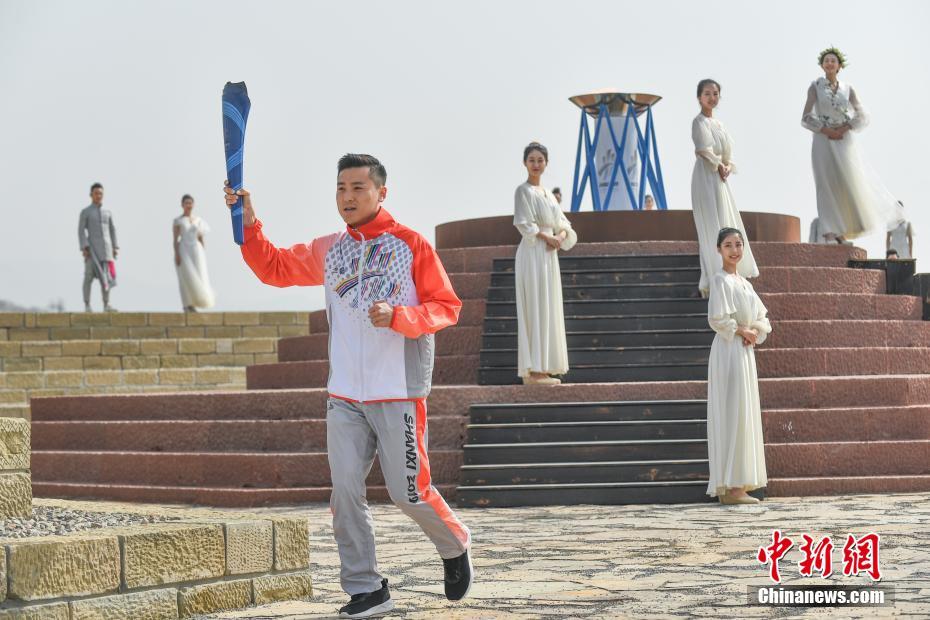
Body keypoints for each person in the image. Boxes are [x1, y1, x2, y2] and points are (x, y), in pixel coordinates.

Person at [225, 153, 472, 618]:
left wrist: (400, 317)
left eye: (358, 188)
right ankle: (366, 588)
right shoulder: (330, 249)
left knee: (409, 492)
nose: (348, 197)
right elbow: (274, 267)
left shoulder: (411, 245)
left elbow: (446, 306)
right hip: (344, 396)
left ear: (381, 192)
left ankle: (454, 542)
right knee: (344, 492)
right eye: (341, 188)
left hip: (397, 392)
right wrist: (248, 221)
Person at [801, 47, 898, 243]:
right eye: (826, 61)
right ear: (822, 65)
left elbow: (862, 114)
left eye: (833, 60)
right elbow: (806, 116)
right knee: (825, 183)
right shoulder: (815, 86)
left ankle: (842, 232)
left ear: (839, 66)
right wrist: (827, 130)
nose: (829, 63)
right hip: (823, 140)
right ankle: (829, 231)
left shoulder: (848, 88)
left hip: (844, 140)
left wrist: (844, 128)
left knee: (845, 184)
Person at [706, 227, 771, 505]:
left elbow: (763, 317)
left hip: (744, 353)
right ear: (718, 249)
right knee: (731, 411)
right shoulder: (719, 280)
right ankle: (731, 487)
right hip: (728, 350)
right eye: (728, 245)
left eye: (738, 244)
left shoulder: (745, 284)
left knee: (743, 411)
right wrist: (741, 330)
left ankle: (737, 485)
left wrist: (754, 330)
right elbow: (717, 318)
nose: (734, 250)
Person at [514, 142, 578, 385]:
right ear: (525, 163)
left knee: (547, 307)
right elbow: (525, 224)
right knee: (535, 306)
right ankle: (534, 371)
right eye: (532, 160)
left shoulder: (549, 195)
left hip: (549, 256)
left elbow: (564, 224)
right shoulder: (523, 191)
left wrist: (559, 237)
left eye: (540, 160)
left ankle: (544, 367)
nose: (536, 164)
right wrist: (548, 238)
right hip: (532, 253)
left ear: (546, 163)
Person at [691, 79, 759, 297]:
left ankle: (732, 271)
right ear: (699, 97)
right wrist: (718, 164)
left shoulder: (719, 124)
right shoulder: (699, 122)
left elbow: (727, 152)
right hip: (706, 176)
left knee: (726, 219)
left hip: (720, 178)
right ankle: (714, 275)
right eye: (707, 94)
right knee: (711, 223)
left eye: (715, 94)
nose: (712, 98)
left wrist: (727, 165)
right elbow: (702, 149)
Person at [78, 182, 118, 312]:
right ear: (91, 195)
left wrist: (115, 246)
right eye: (96, 193)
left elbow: (112, 229)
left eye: (100, 193)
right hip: (92, 251)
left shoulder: (108, 212)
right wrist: (84, 247)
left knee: (106, 278)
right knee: (88, 277)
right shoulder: (86, 212)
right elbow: (80, 231)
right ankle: (87, 305)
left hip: (106, 251)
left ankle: (107, 304)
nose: (98, 196)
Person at [173, 194, 215, 312]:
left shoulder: (198, 220)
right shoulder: (178, 221)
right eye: (186, 203)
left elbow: (200, 237)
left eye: (190, 203)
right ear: (182, 205)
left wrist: (203, 250)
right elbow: (175, 239)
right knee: (186, 276)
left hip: (196, 250)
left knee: (198, 275)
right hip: (184, 250)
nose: (188, 205)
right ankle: (187, 304)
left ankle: (197, 302)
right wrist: (177, 254)